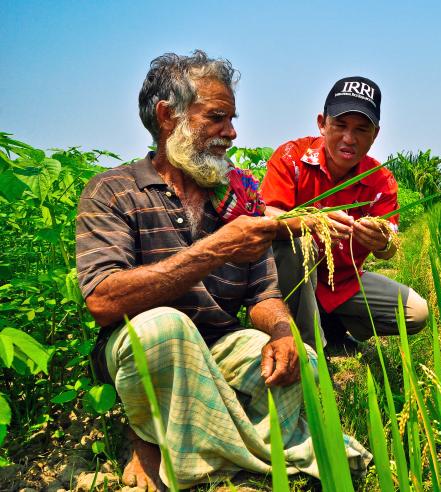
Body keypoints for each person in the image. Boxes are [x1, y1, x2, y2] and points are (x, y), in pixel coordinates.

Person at [76, 51, 370, 490]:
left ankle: (192, 444)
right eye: (217, 118)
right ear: (167, 116)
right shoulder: (114, 191)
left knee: (301, 362)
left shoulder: (238, 194)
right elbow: (103, 301)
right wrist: (213, 250)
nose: (231, 133)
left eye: (232, 119)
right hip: (145, 348)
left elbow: (265, 295)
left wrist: (284, 334)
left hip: (219, 344)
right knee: (165, 329)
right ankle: (199, 454)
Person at [260, 76, 429, 349]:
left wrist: (381, 241)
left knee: (416, 313)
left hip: (344, 282)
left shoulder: (380, 181)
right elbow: (266, 214)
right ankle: (307, 348)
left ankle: (334, 323)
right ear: (322, 124)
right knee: (297, 244)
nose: (349, 139)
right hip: (295, 282)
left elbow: (389, 250)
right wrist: (311, 222)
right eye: (340, 125)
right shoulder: (291, 158)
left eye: (362, 130)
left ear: (374, 135)